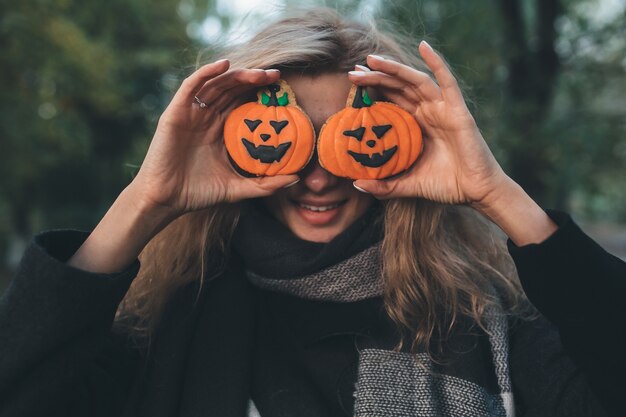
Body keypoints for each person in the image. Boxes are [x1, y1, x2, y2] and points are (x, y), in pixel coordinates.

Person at [0, 8, 624, 417]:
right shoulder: (163, 322)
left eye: (344, 137)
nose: (319, 174)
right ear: (235, 142)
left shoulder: (486, 317)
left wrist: (497, 195)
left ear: (396, 138)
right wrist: (147, 199)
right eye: (288, 136)